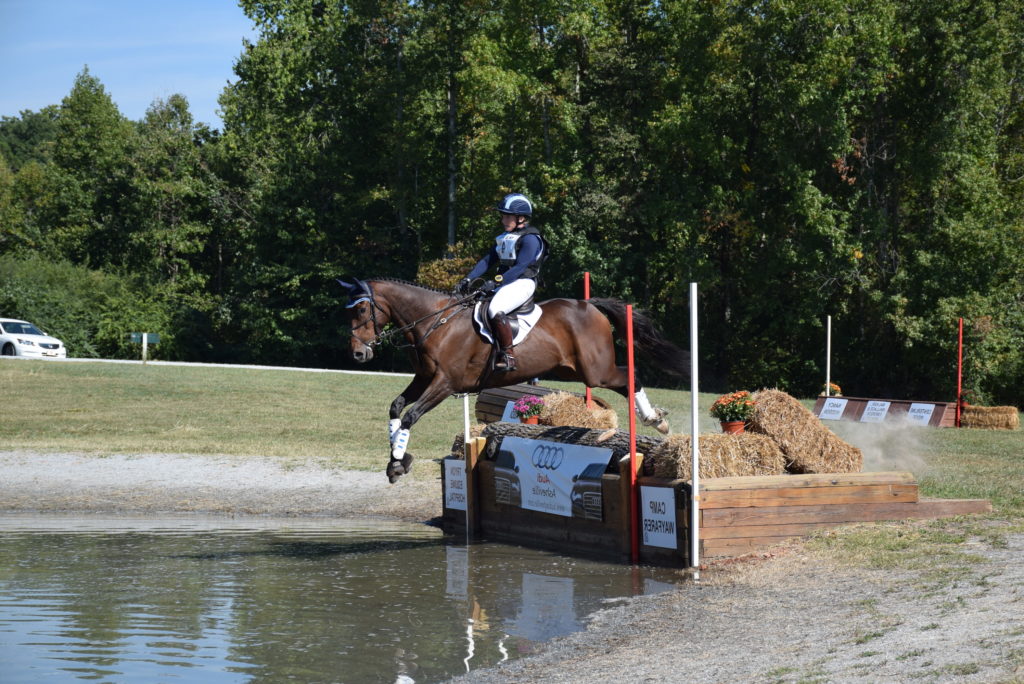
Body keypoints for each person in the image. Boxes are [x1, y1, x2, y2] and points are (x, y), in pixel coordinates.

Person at [455, 193, 548, 371]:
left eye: (508, 216)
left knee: (495, 310)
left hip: (523, 282)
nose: (503, 220)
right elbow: (487, 261)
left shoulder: (531, 239)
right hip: (506, 283)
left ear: (521, 218)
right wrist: (468, 278)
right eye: (503, 216)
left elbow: (521, 267)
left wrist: (497, 282)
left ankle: (508, 355)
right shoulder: (506, 237)